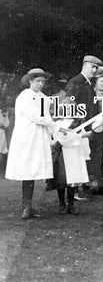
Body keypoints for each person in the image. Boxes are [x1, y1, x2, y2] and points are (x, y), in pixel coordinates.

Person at [5, 68, 67, 218]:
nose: (40, 84)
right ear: (30, 81)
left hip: (38, 137)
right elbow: (38, 117)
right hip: (26, 137)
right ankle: (26, 207)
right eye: (37, 81)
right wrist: (57, 126)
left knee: (32, 170)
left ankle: (28, 207)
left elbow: (46, 118)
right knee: (27, 170)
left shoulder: (44, 98)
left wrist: (56, 132)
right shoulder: (24, 96)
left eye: (42, 81)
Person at [65, 55, 103, 201]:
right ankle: (76, 191)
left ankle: (82, 189)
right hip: (79, 127)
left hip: (88, 126)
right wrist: (79, 127)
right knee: (78, 158)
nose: (94, 70)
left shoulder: (87, 83)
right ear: (85, 65)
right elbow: (70, 106)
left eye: (96, 68)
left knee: (85, 157)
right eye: (92, 67)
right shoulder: (76, 82)